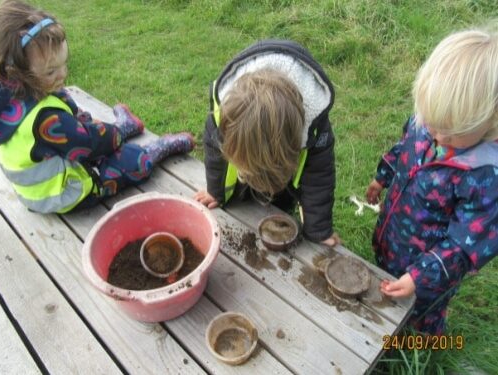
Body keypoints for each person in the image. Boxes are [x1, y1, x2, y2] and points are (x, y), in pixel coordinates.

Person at [0, 0, 194, 214]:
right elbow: (90, 144)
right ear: (17, 72)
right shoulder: (45, 120)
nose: (63, 73)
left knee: (70, 108)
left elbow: (73, 124)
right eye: (51, 71)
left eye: (64, 63)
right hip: (64, 191)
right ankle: (155, 150)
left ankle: (123, 128)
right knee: (129, 161)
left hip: (48, 169)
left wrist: (88, 124)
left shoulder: (5, 93)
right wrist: (115, 137)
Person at [366, 28, 498, 335]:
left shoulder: (484, 177)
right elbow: (404, 149)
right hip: (394, 240)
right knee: (385, 283)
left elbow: (463, 248)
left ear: (490, 122)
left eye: (450, 133)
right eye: (430, 123)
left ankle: (421, 345)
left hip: (430, 272)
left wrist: (420, 277)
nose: (436, 135)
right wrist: (381, 176)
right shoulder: (427, 120)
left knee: (420, 317)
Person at [194, 40, 339, 246]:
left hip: (287, 146)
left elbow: (319, 176)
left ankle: (281, 196)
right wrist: (215, 191)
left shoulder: (314, 127)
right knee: (243, 190)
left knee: (282, 197)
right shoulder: (225, 112)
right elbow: (215, 153)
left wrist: (319, 230)